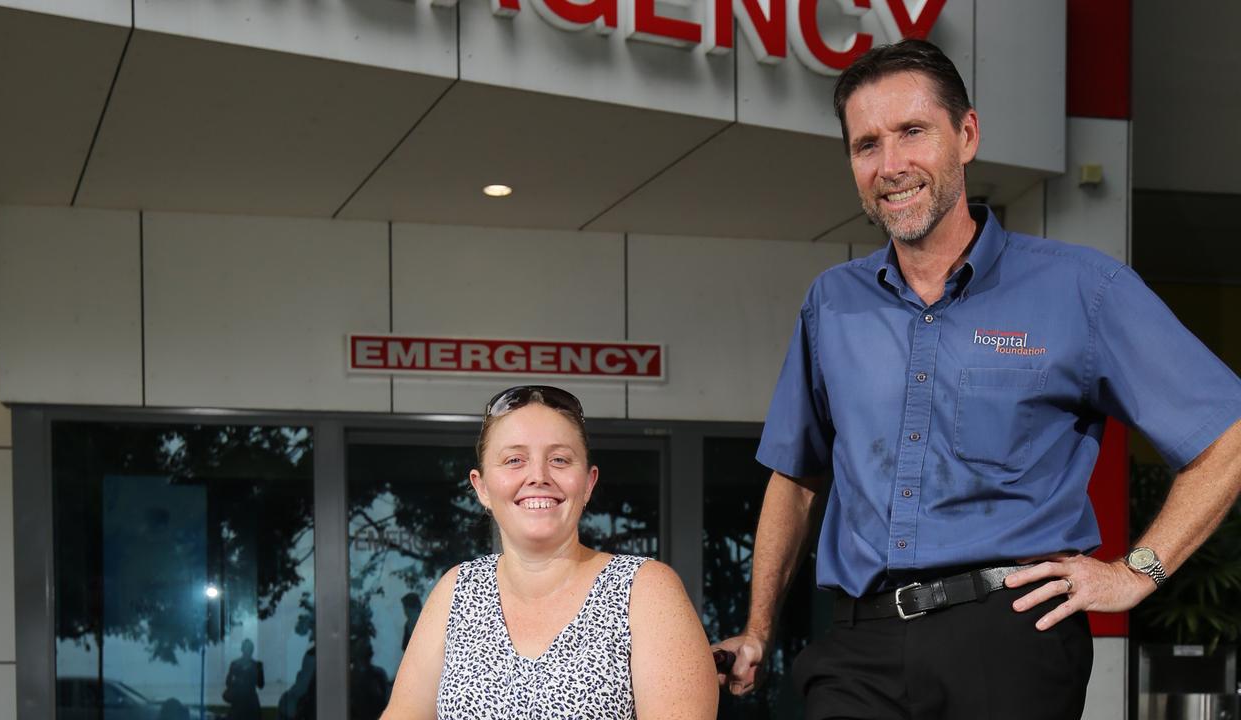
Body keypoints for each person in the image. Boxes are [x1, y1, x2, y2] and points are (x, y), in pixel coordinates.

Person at [713, 39, 1241, 720]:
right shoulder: (832, 303)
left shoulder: (1083, 289)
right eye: (866, 144)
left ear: (966, 135)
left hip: (1010, 637)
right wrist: (758, 629)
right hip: (858, 644)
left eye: (912, 132)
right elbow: (797, 475)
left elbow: (1225, 433)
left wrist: (1139, 572)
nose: (890, 164)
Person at [380, 386, 717, 720]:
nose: (538, 476)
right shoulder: (457, 591)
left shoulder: (645, 591)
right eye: (515, 460)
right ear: (481, 487)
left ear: (587, 483)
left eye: (559, 459)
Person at [223, 639, 264, 720]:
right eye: (247, 648)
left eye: (248, 648)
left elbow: (228, 683)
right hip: (248, 703)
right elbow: (260, 685)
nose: (247, 651)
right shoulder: (256, 665)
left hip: (242, 702)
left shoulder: (235, 664)